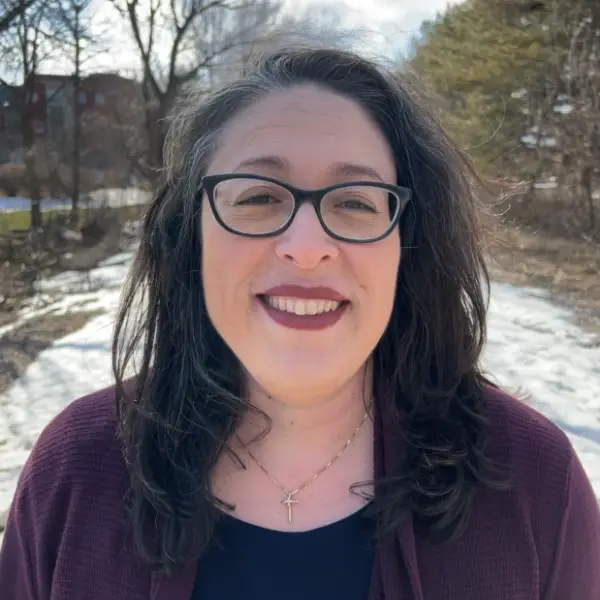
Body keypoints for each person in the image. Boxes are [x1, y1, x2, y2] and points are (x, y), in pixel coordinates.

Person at [1, 44, 599, 600]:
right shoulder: (76, 470)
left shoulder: (531, 480)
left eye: (355, 202)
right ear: (191, 237)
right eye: (258, 196)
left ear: (406, 247)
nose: (306, 246)